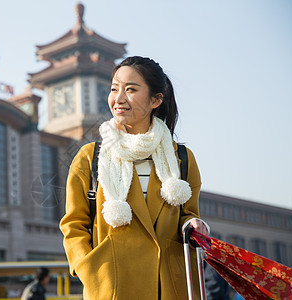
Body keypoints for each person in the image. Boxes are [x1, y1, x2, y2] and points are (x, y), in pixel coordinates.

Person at [60, 56, 210, 299]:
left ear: (156, 100)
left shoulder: (182, 158)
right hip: (111, 286)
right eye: (114, 89)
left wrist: (193, 224)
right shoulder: (91, 157)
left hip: (169, 288)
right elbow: (73, 224)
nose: (118, 98)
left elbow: (188, 214)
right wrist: (89, 268)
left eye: (130, 90)